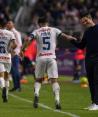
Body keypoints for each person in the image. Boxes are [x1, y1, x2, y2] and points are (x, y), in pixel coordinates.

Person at [22, 16, 77, 110]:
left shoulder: (37, 31)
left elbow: (28, 39)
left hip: (40, 58)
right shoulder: (54, 30)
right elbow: (66, 37)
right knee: (54, 80)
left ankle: (36, 93)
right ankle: (57, 100)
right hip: (51, 58)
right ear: (47, 22)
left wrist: (23, 49)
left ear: (39, 24)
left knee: (39, 79)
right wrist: (71, 38)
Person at [71, 13, 98, 110]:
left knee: (96, 80)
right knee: (91, 81)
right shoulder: (87, 32)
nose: (85, 23)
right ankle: (93, 102)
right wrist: (72, 41)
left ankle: (96, 103)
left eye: (86, 20)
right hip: (89, 59)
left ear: (90, 18)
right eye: (83, 22)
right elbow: (82, 46)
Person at [0, 18, 16, 102]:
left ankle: (2, 88)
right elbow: (15, 45)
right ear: (6, 25)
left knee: (0, 76)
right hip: (7, 57)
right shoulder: (10, 33)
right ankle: (6, 96)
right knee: (6, 77)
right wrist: (10, 49)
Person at [6, 21, 22, 92]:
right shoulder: (8, 33)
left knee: (15, 70)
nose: (8, 24)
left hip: (15, 53)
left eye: (9, 23)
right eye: (7, 23)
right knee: (12, 70)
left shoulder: (16, 33)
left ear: (13, 25)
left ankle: (18, 86)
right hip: (10, 53)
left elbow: (19, 44)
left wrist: (13, 50)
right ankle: (16, 86)